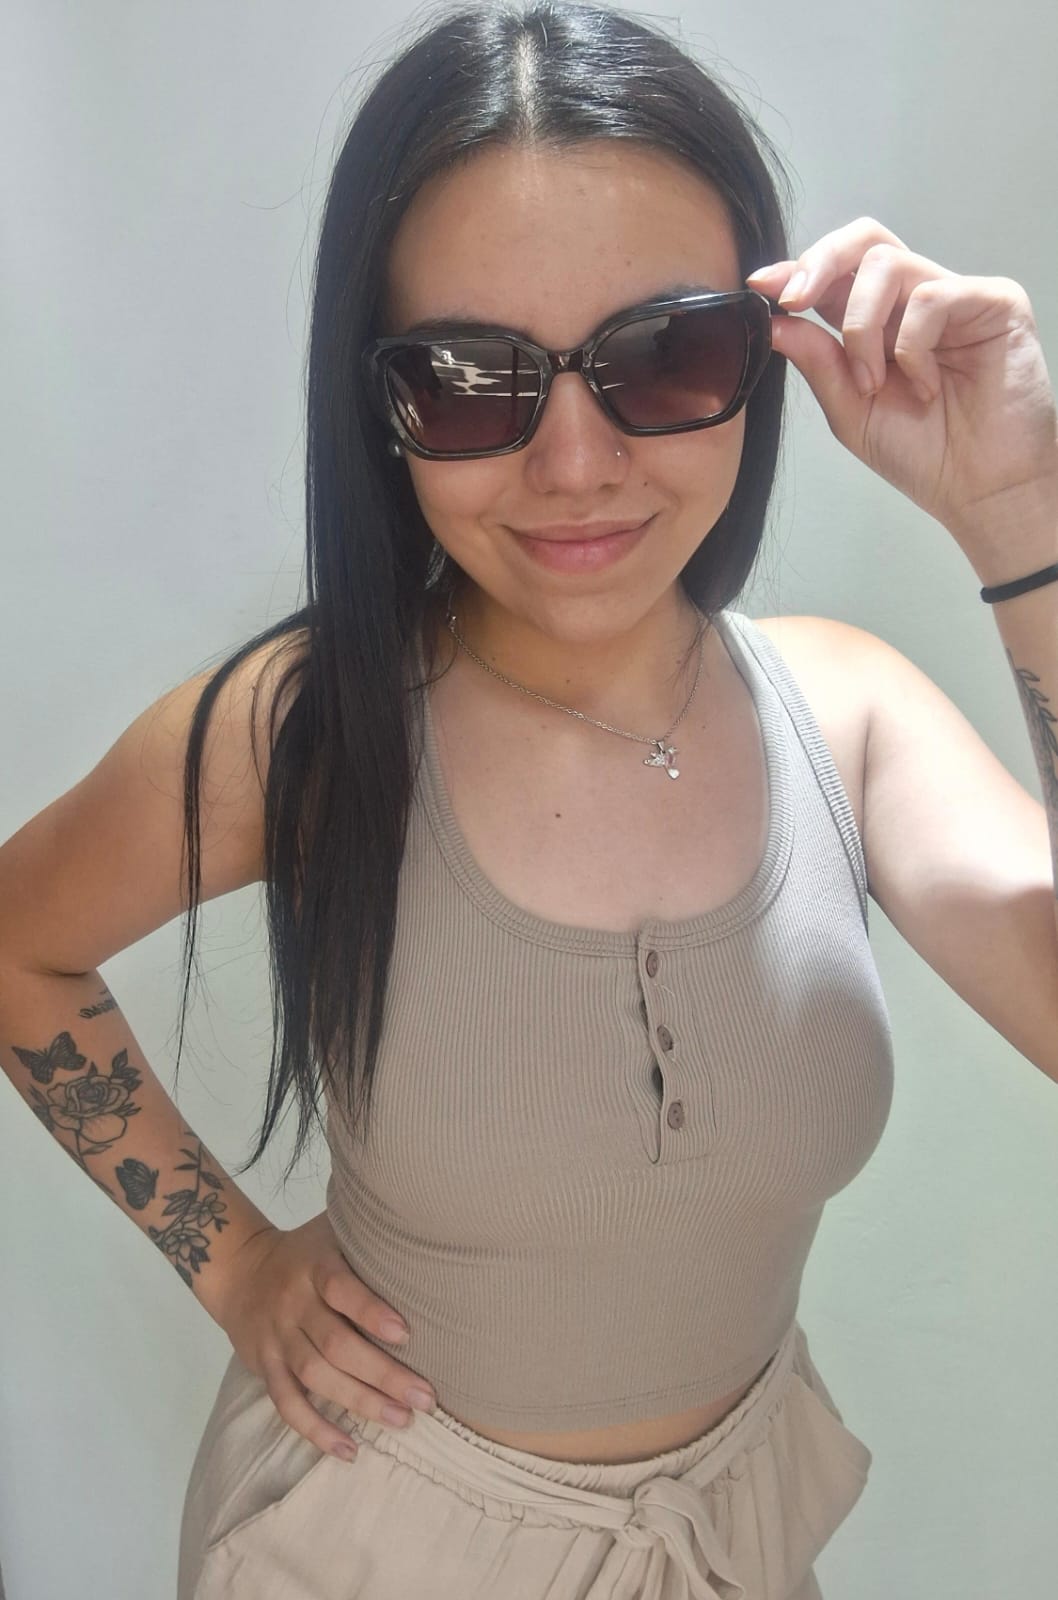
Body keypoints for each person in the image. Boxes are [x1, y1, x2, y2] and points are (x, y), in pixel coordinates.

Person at [2, 1, 1056, 1596]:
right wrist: (232, 1263)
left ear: (763, 351)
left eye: (664, 356)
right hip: (374, 1542)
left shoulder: (846, 718)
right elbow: (19, 942)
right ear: (378, 405)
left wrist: (1019, 514)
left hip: (725, 1536)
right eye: (468, 380)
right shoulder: (302, 732)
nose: (574, 464)